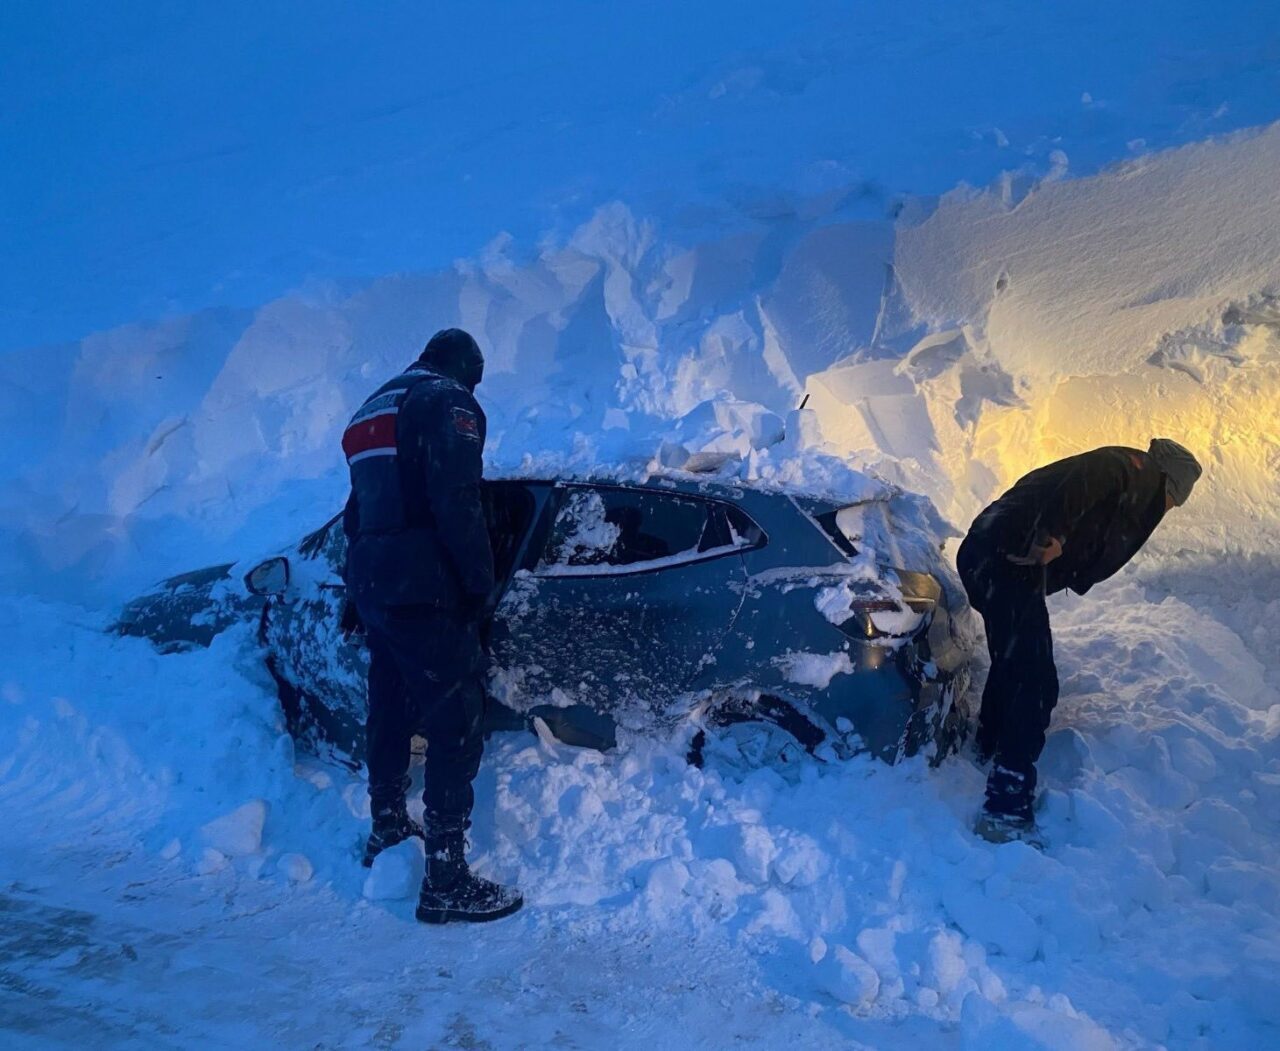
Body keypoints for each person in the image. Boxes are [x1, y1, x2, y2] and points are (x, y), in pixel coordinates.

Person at [340, 328, 522, 923]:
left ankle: (387, 828)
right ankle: (446, 877)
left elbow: (356, 511)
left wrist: (355, 590)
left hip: (374, 579)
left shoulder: (375, 404)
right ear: (467, 365)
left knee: (389, 706)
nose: (476, 385)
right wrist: (479, 583)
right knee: (456, 721)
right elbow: (457, 498)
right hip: (423, 582)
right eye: (478, 373)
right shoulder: (448, 401)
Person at [956, 439, 1203, 845]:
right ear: (1170, 485)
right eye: (1175, 500)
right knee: (1036, 681)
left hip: (995, 558)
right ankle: (1004, 809)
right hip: (1006, 560)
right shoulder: (1130, 468)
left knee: (1013, 664)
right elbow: (1078, 485)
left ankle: (988, 745)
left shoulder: (1132, 479)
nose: (1171, 509)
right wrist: (1045, 533)